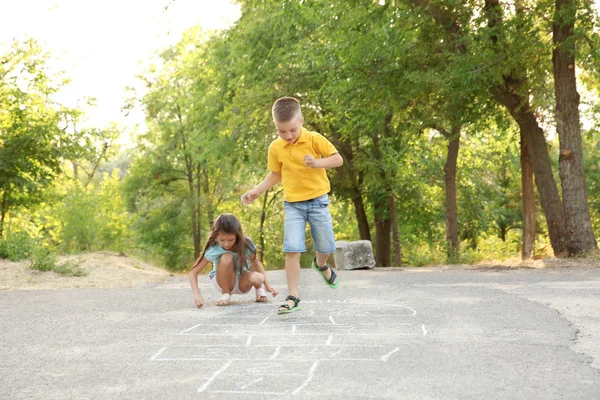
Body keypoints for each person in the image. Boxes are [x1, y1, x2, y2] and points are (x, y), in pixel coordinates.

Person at [241, 96, 343, 314]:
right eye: (281, 131)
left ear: (302, 121)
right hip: (293, 205)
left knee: (326, 246)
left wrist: (317, 163)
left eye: (292, 130)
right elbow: (275, 174)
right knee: (292, 249)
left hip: (318, 201)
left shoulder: (314, 139)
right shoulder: (276, 148)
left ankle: (321, 264)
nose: (287, 136)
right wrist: (256, 191)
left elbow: (337, 159)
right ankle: (293, 296)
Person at [188, 213, 278, 307]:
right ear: (216, 236)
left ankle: (260, 288)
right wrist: (197, 296)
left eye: (230, 240)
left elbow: (256, 263)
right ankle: (226, 294)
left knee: (258, 277)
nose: (226, 244)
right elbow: (193, 273)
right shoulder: (214, 247)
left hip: (241, 281)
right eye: (222, 240)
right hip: (222, 281)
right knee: (227, 256)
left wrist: (267, 285)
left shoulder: (246, 243)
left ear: (237, 236)